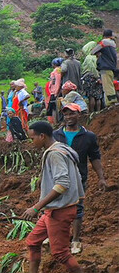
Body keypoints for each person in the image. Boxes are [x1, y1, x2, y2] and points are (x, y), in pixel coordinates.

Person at [17, 121, 104, 273]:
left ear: (42, 136)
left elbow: (62, 184)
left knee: (61, 253)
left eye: (33, 138)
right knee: (33, 242)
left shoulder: (55, 154)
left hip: (60, 210)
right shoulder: (61, 148)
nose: (31, 142)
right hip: (53, 210)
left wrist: (36, 207)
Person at [52, 104, 108, 255]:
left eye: (72, 114)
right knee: (56, 206)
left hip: (78, 177)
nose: (69, 117)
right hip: (57, 177)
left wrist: (101, 177)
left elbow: (94, 157)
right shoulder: (56, 135)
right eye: (66, 114)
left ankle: (75, 240)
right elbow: (49, 156)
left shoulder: (88, 136)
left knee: (77, 208)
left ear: (80, 115)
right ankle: (57, 237)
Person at [90, 28, 116, 102]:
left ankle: (111, 102)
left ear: (104, 35)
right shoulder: (113, 44)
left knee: (107, 86)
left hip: (105, 67)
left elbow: (92, 52)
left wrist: (98, 54)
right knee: (110, 85)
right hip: (111, 67)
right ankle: (109, 103)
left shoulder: (104, 42)